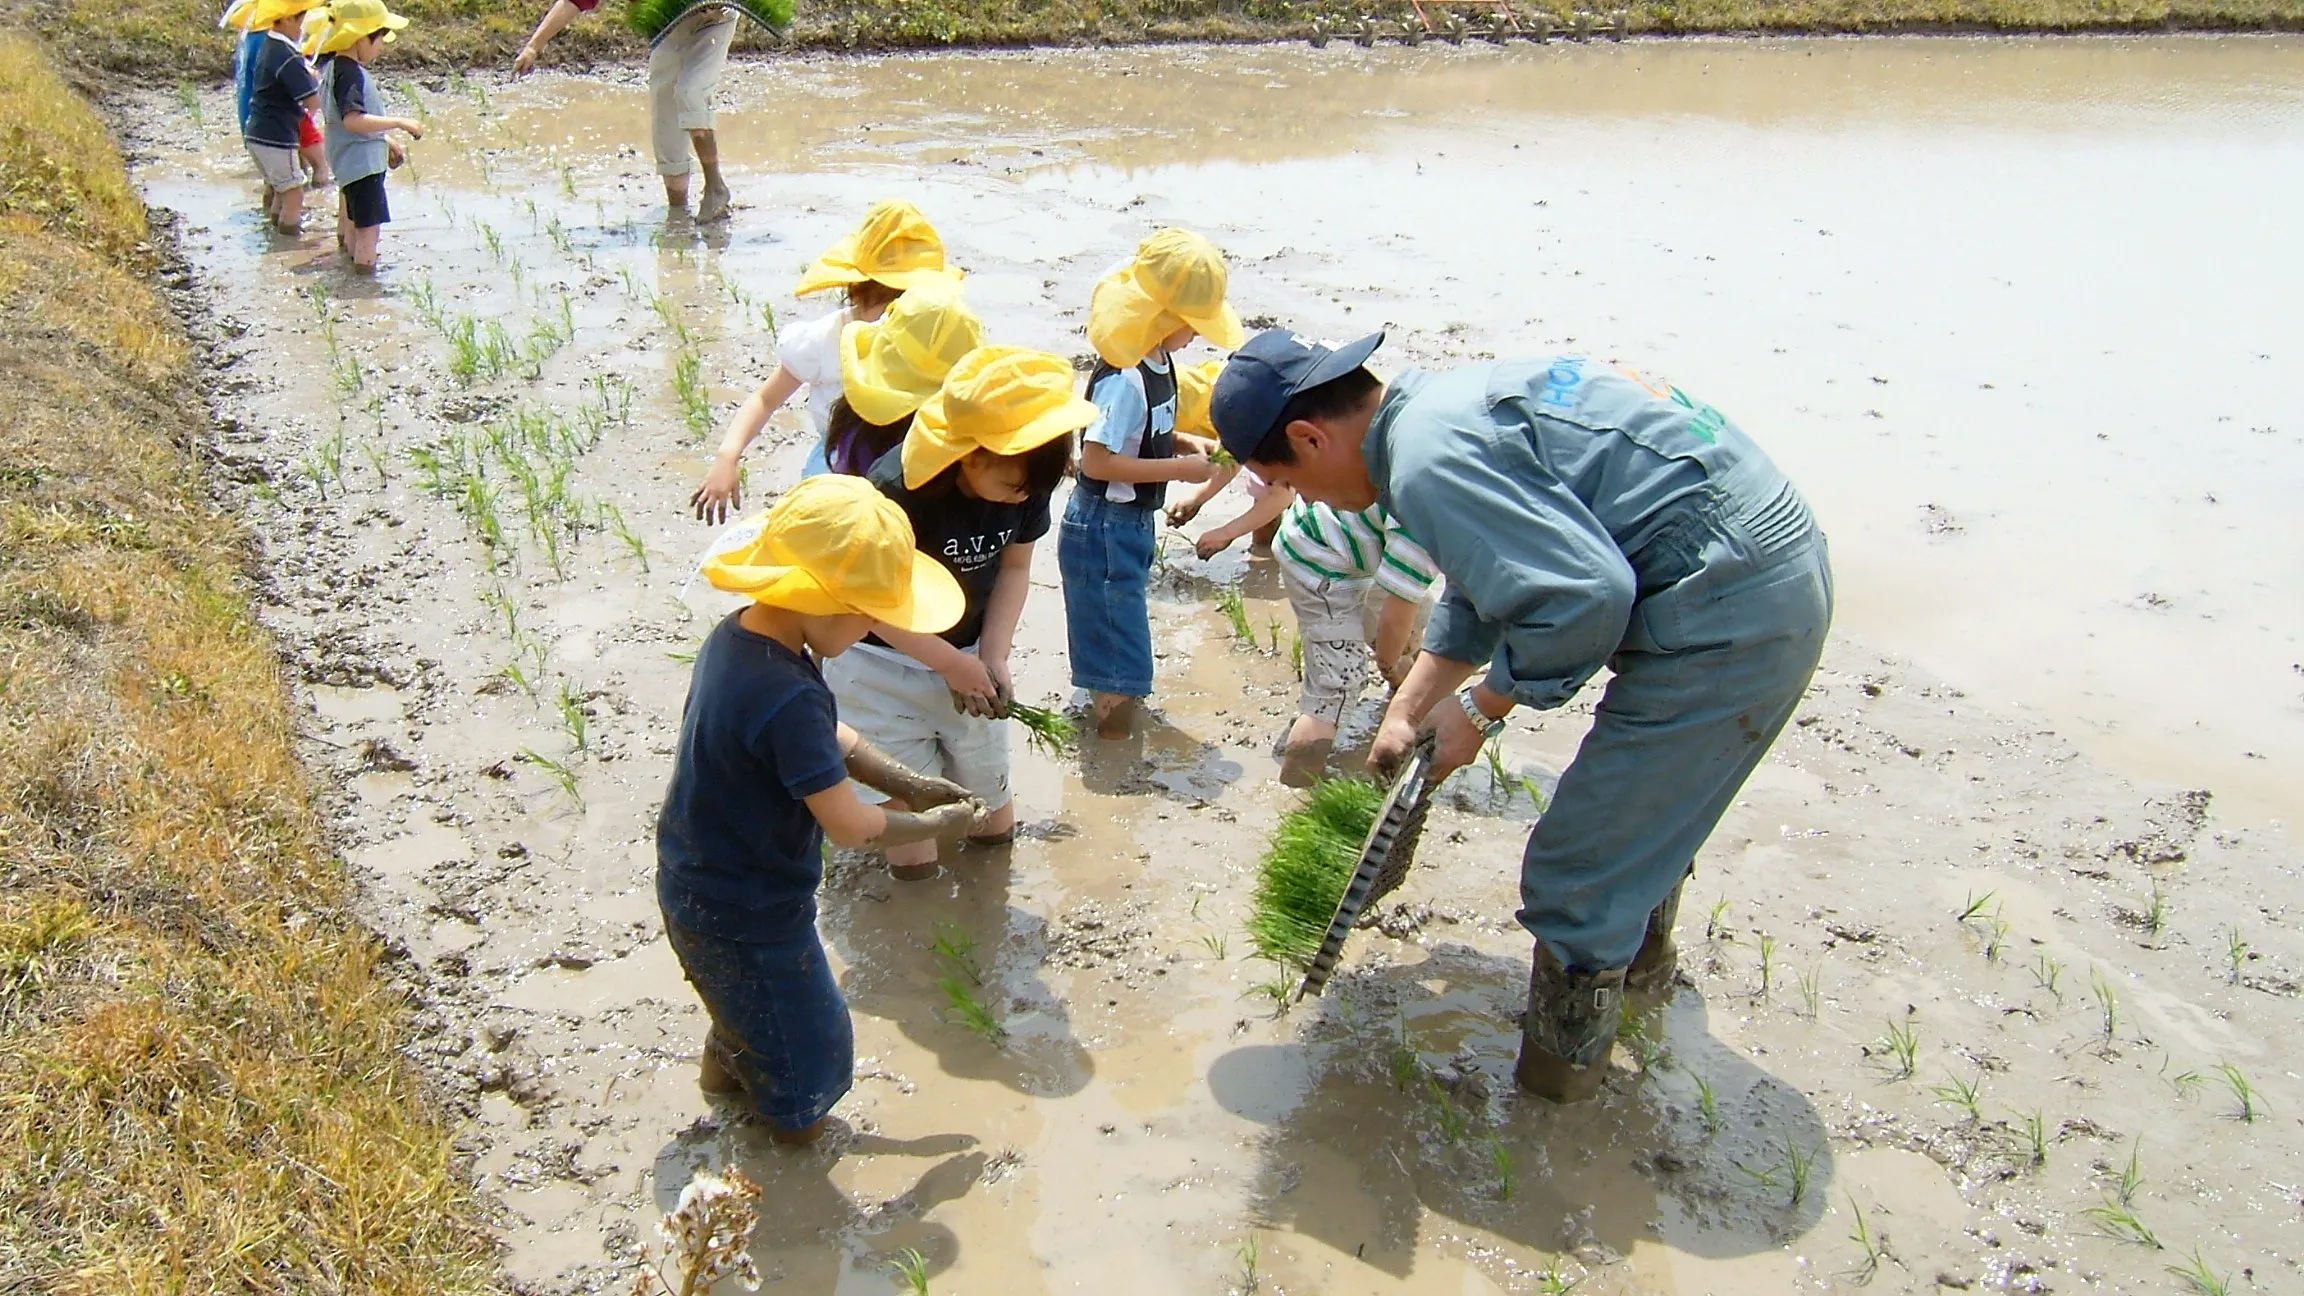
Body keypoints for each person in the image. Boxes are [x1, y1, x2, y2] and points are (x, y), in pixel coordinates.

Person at [1212, 329, 1833, 1104]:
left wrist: (1479, 706)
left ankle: (1555, 1101)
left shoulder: (1429, 462)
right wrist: (1412, 704)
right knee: (1639, 817)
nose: (1302, 500)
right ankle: (1637, 978)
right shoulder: (1433, 413)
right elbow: (1496, 573)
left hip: (1733, 607)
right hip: (1759, 560)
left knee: (1578, 868)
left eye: (1288, 481)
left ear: (1310, 436)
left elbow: (1585, 597)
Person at [659, 474, 991, 1144]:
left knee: (753, 1015)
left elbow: (829, 741)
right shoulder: (788, 695)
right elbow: (851, 825)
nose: (875, 627)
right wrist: (938, 822)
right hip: (746, 909)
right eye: (869, 612)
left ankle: (728, 1081)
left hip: (699, 882)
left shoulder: (745, 639)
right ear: (823, 600)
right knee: (811, 1052)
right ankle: (791, 1152)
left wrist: (905, 777)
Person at [825, 345, 1090, 880]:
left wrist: (992, 653)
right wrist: (946, 663)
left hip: (971, 656)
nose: (1021, 502)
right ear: (972, 456)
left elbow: (1015, 568)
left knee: (992, 816)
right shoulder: (898, 491)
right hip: (879, 666)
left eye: (1033, 492)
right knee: (914, 834)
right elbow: (863, 603)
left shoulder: (1027, 481)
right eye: (1012, 488)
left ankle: (985, 907)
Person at [1057, 228, 1242, 739]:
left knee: (1118, 638)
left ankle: (1110, 719)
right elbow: (1096, 461)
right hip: (1103, 527)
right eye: (1190, 325)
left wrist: (1182, 443)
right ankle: (1114, 751)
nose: (1196, 336)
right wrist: (1178, 472)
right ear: (1162, 319)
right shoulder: (1125, 376)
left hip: (1129, 524)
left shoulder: (1160, 364)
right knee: (1120, 655)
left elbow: (1144, 430)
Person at [692, 200, 958, 523]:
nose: (900, 317)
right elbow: (765, 399)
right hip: (836, 469)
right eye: (891, 304)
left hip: (905, 468)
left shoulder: (932, 338)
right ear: (857, 294)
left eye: (913, 305)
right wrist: (727, 457)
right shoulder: (824, 340)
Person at [1189, 474, 1438, 788]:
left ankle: (1403, 696)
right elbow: (1395, 619)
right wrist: (1387, 659)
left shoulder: (1426, 478)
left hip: (1345, 538)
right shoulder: (1425, 527)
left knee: (1416, 614)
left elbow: (1403, 607)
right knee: (1338, 686)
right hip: (1318, 564)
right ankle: (1297, 784)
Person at [512, 0, 740, 221]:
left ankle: (715, 187)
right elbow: (572, 1)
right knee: (665, 112)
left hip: (714, 19)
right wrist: (533, 47)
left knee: (691, 91)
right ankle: (678, 215)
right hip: (668, 22)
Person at [304, 0, 421, 273]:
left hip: (346, 160)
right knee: (369, 231)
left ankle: (347, 261)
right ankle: (364, 278)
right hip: (362, 165)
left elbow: (338, 119)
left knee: (349, 217)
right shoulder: (351, 74)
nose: (380, 46)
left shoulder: (332, 67)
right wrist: (399, 122)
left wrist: (384, 140)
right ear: (360, 38)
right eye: (378, 38)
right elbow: (353, 120)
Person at [235, 0, 329, 233]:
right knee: (294, 192)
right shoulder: (287, 55)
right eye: (301, 20)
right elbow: (313, 101)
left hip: (258, 134)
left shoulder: (268, 44)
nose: (303, 28)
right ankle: (288, 241)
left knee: (281, 189)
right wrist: (315, 80)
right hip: (276, 137)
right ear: (287, 19)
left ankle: (275, 232)